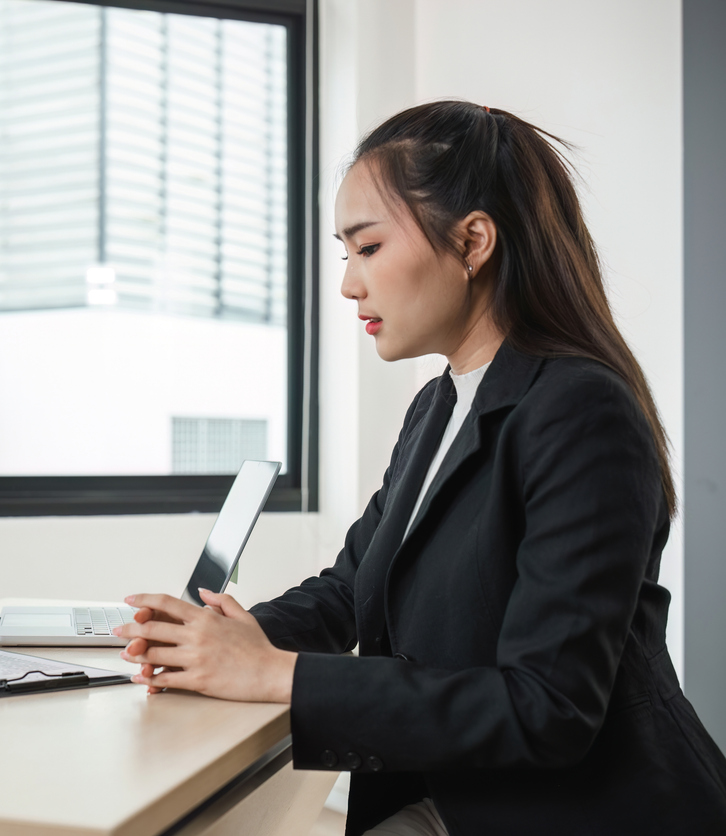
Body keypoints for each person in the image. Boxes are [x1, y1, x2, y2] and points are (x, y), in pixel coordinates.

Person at [115, 102, 726, 835]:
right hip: (461, 795)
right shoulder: (439, 405)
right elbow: (350, 590)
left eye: (367, 248)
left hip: (576, 811)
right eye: (345, 254)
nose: (347, 284)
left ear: (473, 241)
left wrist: (274, 673)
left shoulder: (581, 410)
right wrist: (207, 637)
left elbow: (548, 709)